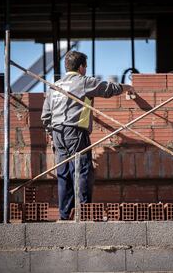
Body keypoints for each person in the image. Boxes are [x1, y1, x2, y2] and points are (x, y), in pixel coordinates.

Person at [41, 50, 136, 220]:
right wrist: (127, 87)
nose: (86, 69)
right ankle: (83, 212)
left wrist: (51, 135)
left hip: (57, 133)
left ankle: (64, 215)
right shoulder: (83, 82)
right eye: (85, 66)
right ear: (81, 67)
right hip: (75, 132)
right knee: (82, 170)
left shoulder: (54, 87)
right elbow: (107, 89)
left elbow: (46, 116)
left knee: (64, 173)